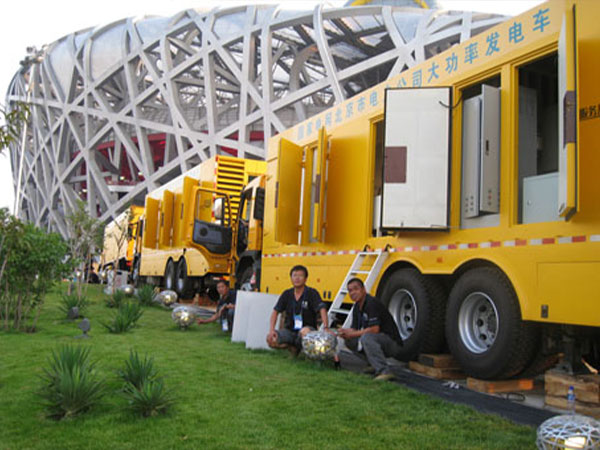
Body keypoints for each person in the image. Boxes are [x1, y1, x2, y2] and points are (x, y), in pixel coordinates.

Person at [338, 277, 403, 381]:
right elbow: (354, 329)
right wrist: (344, 332)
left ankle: (384, 371)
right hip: (377, 340)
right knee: (350, 341)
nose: (353, 293)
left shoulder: (372, 303)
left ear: (363, 289)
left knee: (367, 338)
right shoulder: (357, 307)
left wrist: (352, 334)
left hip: (392, 343)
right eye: (350, 290)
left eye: (356, 289)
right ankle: (373, 364)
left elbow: (374, 329)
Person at [267, 265, 329, 354]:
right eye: (294, 275)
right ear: (291, 278)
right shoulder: (287, 294)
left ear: (305, 279)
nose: (297, 278)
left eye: (300, 276)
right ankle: (293, 347)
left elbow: (322, 308)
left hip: (307, 329)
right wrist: (272, 330)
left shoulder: (312, 293)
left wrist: (326, 327)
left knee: (305, 332)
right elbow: (275, 311)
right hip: (290, 330)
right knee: (271, 339)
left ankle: (306, 353)